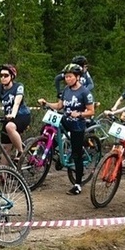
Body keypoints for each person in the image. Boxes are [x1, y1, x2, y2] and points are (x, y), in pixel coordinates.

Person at [38, 63, 95, 195]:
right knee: (47, 128)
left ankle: (77, 184)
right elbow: (59, 106)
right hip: (66, 119)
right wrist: (46, 103)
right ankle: (52, 152)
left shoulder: (85, 92)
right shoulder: (66, 90)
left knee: (76, 154)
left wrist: (80, 114)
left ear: (77, 77)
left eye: (70, 77)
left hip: (78, 124)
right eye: (66, 77)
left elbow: (91, 111)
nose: (68, 79)